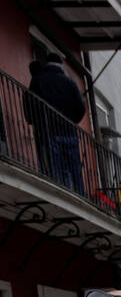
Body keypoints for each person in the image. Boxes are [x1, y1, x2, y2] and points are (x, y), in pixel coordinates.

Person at [24, 53, 86, 192]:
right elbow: (81, 108)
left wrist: (34, 120)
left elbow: (31, 105)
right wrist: (71, 121)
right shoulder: (70, 82)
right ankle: (79, 195)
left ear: (47, 63)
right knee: (74, 170)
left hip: (48, 132)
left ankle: (57, 192)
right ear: (60, 65)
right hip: (69, 133)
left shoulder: (38, 79)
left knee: (53, 170)